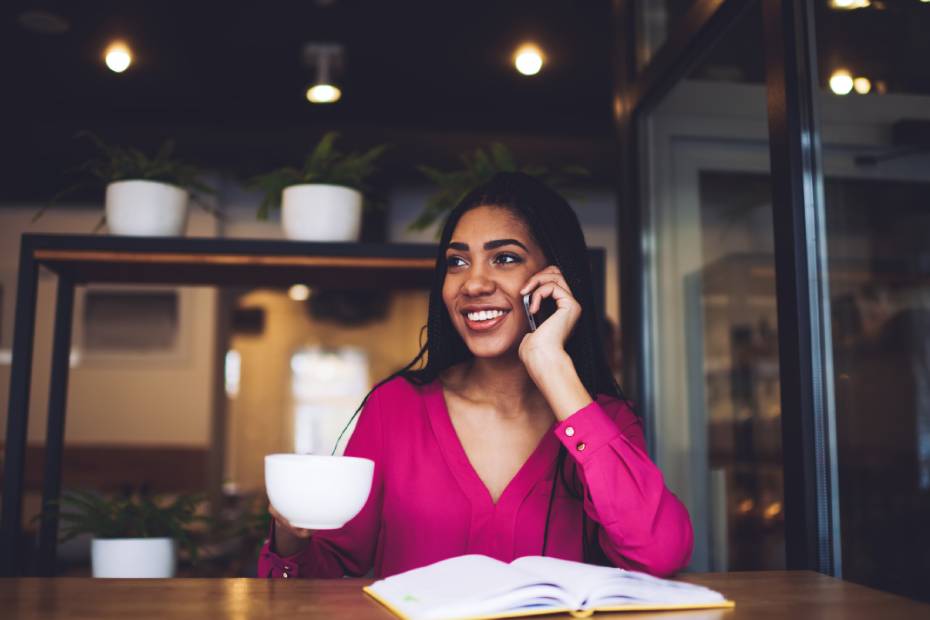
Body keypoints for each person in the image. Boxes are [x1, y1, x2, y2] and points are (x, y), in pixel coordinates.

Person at [258, 172, 693, 579]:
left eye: (504, 258)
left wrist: (556, 371)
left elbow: (659, 554)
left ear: (553, 277)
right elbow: (325, 576)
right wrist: (290, 538)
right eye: (457, 262)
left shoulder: (606, 422)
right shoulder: (395, 409)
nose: (473, 284)